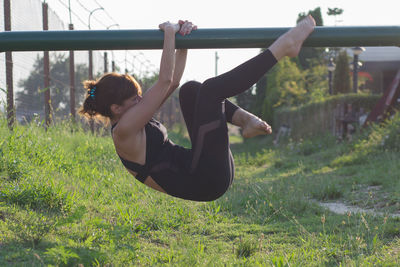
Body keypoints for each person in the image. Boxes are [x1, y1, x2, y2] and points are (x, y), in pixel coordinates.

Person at [79, 17, 316, 201]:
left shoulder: (132, 117)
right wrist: (169, 33)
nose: (141, 100)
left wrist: (183, 41)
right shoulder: (124, 131)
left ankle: (245, 120)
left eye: (141, 95)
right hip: (206, 179)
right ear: (116, 108)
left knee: (191, 90)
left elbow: (172, 83)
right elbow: (163, 81)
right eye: (135, 99)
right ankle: (283, 48)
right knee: (211, 91)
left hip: (205, 169)